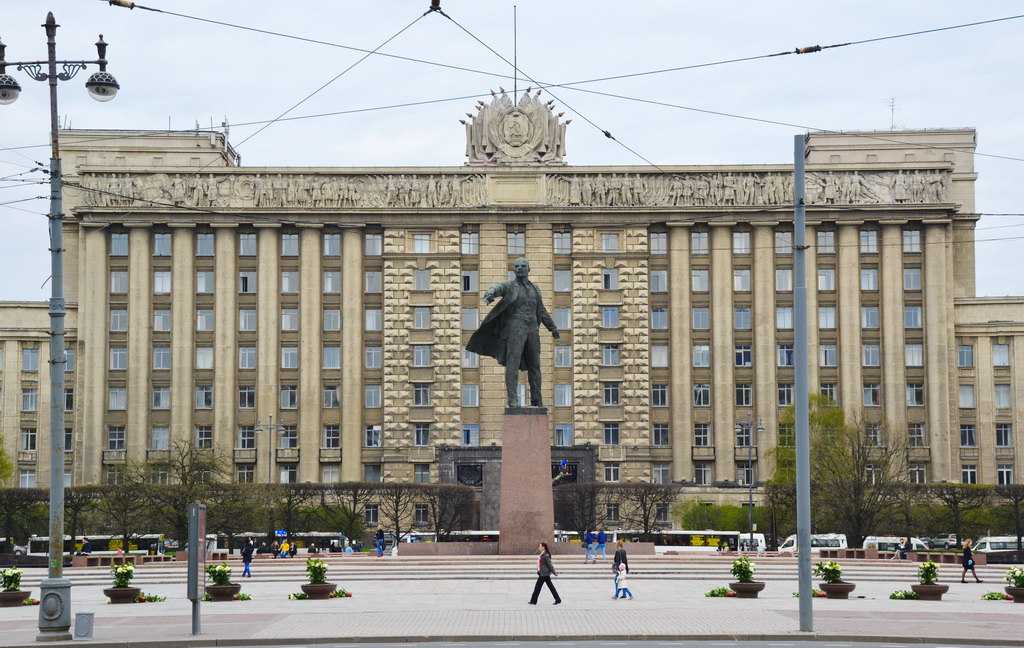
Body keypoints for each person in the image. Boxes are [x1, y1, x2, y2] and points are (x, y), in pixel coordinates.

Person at [465, 257, 560, 408]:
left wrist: (552, 327)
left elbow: (541, 311)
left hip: (533, 327)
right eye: (517, 266)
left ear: (529, 269)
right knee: (513, 363)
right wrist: (490, 293)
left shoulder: (535, 289)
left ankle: (537, 399)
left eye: (523, 266)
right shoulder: (510, 286)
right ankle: (513, 400)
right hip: (516, 325)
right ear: (514, 270)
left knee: (535, 364)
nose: (520, 268)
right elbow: (497, 288)